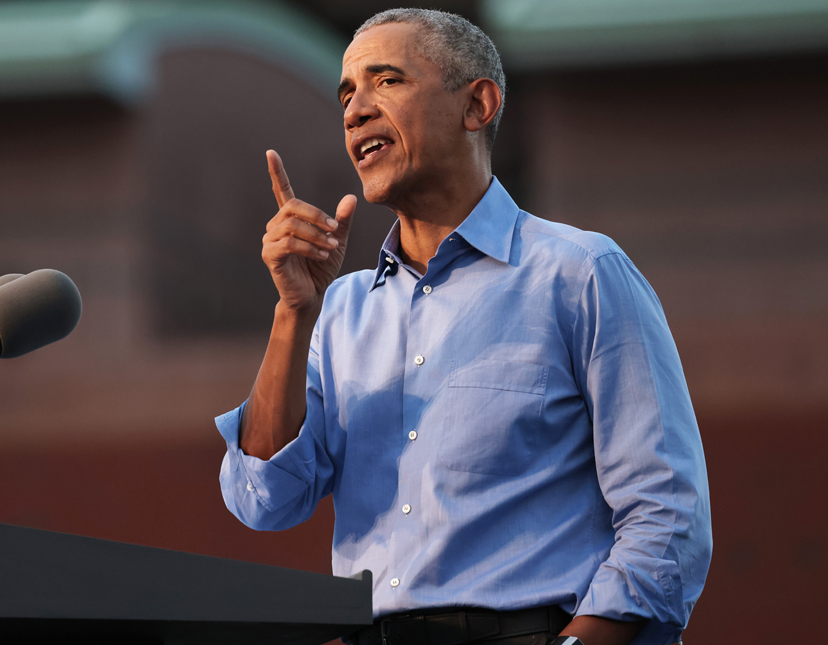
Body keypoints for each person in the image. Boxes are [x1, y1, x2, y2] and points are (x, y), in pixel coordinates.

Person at [216, 9, 711, 645]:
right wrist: (292, 312)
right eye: (346, 93)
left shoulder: (581, 274)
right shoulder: (338, 311)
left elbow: (666, 515)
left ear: (477, 104)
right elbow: (264, 499)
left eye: (386, 80)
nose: (355, 110)